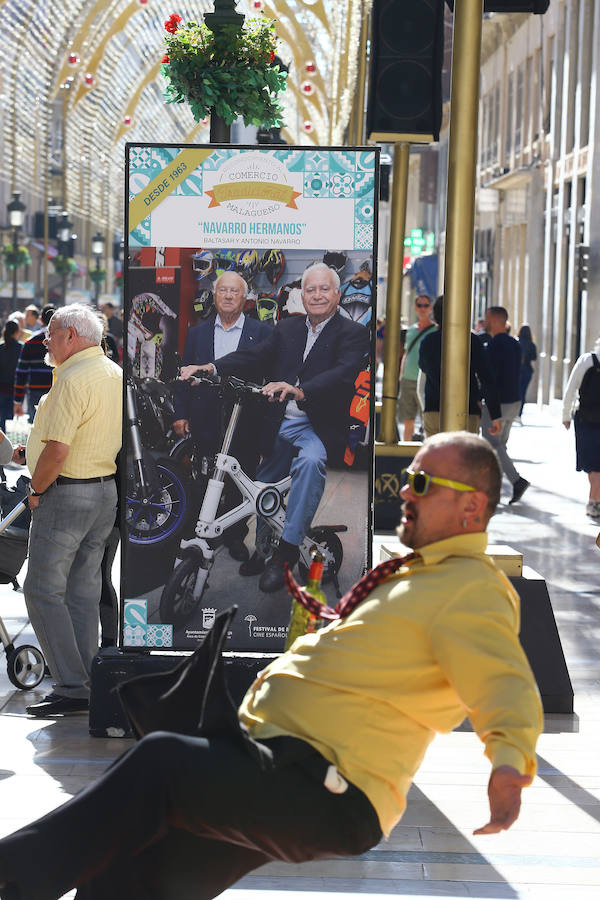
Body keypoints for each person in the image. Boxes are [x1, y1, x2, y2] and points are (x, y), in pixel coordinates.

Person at [0, 431, 543, 900]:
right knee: (135, 878)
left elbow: (505, 680)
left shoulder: (473, 588)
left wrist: (510, 762)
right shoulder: (422, 577)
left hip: (327, 786)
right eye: (409, 479)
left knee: (159, 762)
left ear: (472, 508)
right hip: (275, 761)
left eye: (422, 483)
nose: (404, 489)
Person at [182, 262, 369, 592]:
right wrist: (211, 367)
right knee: (262, 486)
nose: (317, 295)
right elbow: (254, 356)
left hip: (316, 425)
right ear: (301, 294)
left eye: (325, 289)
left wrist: (302, 390)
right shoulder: (288, 328)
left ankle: (284, 553)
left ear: (338, 294)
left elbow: (343, 372)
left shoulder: (353, 333)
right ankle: (264, 548)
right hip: (280, 421)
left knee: (310, 464)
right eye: (310, 289)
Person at [15, 304, 122, 718]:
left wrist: (37, 489)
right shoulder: (112, 372)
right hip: (102, 493)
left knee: (42, 589)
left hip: (66, 494)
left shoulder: (72, 379)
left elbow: (58, 450)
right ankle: (86, 682)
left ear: (73, 337)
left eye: (52, 333)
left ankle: (71, 685)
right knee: (82, 591)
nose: (45, 339)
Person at [172, 271, 271, 561]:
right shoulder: (196, 333)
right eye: (223, 291)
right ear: (215, 296)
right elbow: (184, 375)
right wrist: (180, 413)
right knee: (206, 478)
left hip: (246, 421)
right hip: (205, 419)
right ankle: (206, 533)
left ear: (246, 298)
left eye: (234, 291)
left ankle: (235, 536)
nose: (228, 296)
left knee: (242, 481)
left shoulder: (261, 332)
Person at [418, 296, 502, 439]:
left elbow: (424, 368)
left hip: (434, 409)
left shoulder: (427, 341)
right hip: (466, 410)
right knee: (465, 459)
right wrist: (495, 415)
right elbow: (487, 378)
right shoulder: (473, 341)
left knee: (437, 459)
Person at [480, 306, 530, 504]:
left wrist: (486, 400)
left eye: (487, 317)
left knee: (493, 444)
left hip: (497, 405)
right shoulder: (515, 343)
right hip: (514, 402)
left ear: (494, 319)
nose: (485, 321)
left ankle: (517, 481)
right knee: (500, 446)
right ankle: (496, 488)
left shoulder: (493, 346)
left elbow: (490, 378)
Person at [562, 338, 600, 519]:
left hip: (585, 419)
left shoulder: (586, 360)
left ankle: (593, 500)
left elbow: (571, 389)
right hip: (588, 419)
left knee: (593, 464)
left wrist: (565, 415)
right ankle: (595, 500)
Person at [396, 294, 435, 440]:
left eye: (425, 305)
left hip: (425, 381)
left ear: (430, 308)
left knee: (427, 421)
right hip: (407, 379)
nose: (422, 308)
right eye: (420, 305)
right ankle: (407, 454)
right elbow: (406, 353)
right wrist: (401, 375)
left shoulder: (435, 330)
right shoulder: (411, 330)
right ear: (415, 308)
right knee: (408, 420)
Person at [13, 304, 55, 419]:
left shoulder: (30, 342)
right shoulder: (64, 341)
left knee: (36, 428)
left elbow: (21, 372)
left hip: (35, 392)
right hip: (57, 390)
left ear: (40, 320)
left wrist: (18, 400)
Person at [0, 320, 22, 431]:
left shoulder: (1, 348)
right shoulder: (21, 348)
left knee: (1, 419)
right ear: (17, 332)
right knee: (13, 419)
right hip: (16, 389)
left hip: (1, 388)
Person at [517, 324, 537, 419]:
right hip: (527, 370)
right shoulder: (531, 344)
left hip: (517, 370)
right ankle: (519, 413)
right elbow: (534, 357)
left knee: (517, 391)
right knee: (523, 392)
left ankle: (516, 412)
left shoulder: (517, 342)